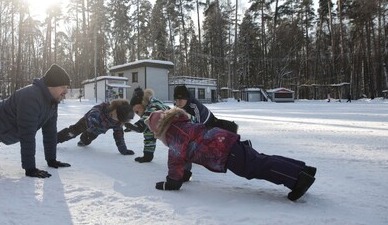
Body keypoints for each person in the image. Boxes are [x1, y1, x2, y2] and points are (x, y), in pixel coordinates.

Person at [145, 108, 317, 201]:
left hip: (222, 151)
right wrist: (185, 175)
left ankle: (298, 180)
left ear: (159, 129)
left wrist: (172, 183)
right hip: (224, 142)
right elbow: (184, 156)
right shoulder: (182, 124)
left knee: (256, 167)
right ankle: (303, 169)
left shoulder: (174, 135)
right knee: (260, 159)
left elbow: (176, 161)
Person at [57, 99, 136, 155]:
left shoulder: (117, 124)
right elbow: (95, 110)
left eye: (117, 119)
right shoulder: (104, 106)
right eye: (114, 115)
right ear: (115, 108)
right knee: (72, 132)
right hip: (87, 122)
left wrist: (123, 150)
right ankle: (55, 139)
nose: (114, 118)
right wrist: (93, 118)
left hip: (97, 131)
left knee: (87, 140)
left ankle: (83, 139)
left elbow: (119, 136)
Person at [128, 87, 170, 163]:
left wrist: (139, 125)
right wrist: (148, 155)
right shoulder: (148, 120)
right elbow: (149, 135)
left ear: (142, 103)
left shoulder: (155, 104)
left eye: (137, 111)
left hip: (185, 128)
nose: (137, 114)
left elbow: (150, 114)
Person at [173, 85, 239, 133]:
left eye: (180, 100)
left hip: (207, 118)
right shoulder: (178, 104)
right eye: (176, 100)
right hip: (201, 117)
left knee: (218, 128)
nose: (178, 103)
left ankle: (233, 127)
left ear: (186, 99)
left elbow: (198, 126)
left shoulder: (194, 106)